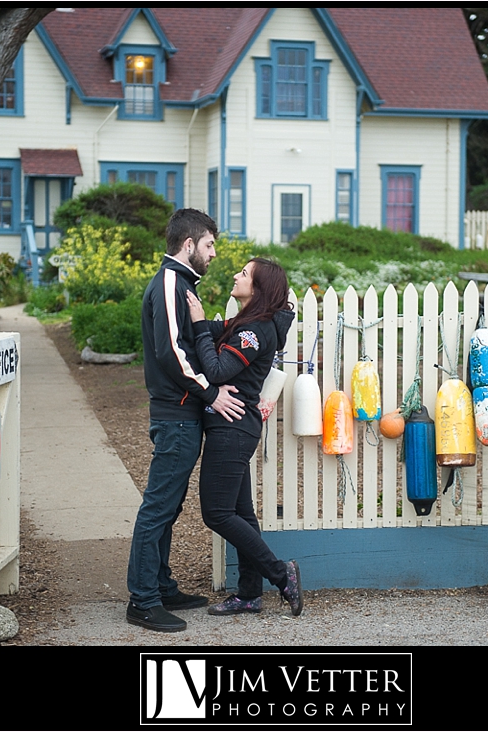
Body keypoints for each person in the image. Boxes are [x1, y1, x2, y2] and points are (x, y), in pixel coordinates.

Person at [126, 208, 245, 633]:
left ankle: (161, 585)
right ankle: (143, 600)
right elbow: (171, 352)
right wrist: (211, 393)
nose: (214, 254)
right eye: (210, 245)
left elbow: (189, 341)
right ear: (189, 244)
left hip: (180, 412)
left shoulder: (179, 284)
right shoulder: (171, 281)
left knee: (168, 506)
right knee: (158, 507)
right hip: (176, 413)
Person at [186, 257, 303, 618]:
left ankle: (281, 574)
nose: (236, 276)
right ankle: (250, 594)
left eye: (244, 274)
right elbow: (213, 334)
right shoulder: (245, 323)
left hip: (232, 428)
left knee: (217, 513)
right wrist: (203, 324)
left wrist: (199, 325)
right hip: (235, 426)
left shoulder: (254, 332)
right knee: (240, 513)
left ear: (258, 288)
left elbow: (219, 369)